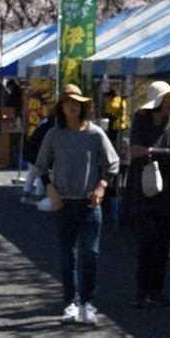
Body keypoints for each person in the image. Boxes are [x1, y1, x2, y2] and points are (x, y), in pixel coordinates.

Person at [35, 83, 119, 326]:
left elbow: (112, 163)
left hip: (89, 204)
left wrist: (103, 184)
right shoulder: (54, 134)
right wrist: (49, 188)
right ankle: (71, 302)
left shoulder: (94, 134)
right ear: (61, 106)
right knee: (67, 256)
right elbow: (41, 165)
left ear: (83, 106)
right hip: (63, 203)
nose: (71, 106)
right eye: (67, 102)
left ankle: (88, 303)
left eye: (76, 102)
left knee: (91, 254)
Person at [124, 80, 170, 308]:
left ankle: (156, 290)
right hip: (143, 190)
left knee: (162, 244)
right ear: (158, 101)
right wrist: (161, 152)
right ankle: (142, 292)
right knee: (146, 242)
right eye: (167, 99)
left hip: (167, 191)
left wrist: (150, 151)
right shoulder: (140, 121)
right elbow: (135, 151)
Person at [21, 111, 55, 205]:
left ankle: (26, 195)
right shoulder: (53, 123)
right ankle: (39, 197)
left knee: (32, 173)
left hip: (31, 149)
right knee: (42, 173)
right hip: (38, 151)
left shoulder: (46, 120)